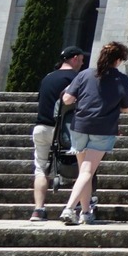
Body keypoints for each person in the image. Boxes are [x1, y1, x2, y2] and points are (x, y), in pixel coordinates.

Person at [59, 41, 128, 226]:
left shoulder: (85, 74)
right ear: (117, 60)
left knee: (85, 171)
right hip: (103, 128)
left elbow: (67, 99)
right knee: (87, 171)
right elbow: (127, 108)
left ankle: (85, 212)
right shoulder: (121, 79)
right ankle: (69, 208)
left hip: (80, 126)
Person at [28, 46, 86, 223]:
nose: (82, 64)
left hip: (41, 128)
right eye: (81, 60)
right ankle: (75, 206)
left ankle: (38, 210)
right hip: (65, 131)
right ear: (75, 58)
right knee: (81, 168)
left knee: (40, 169)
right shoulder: (76, 78)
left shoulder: (47, 78)